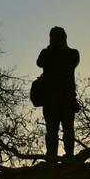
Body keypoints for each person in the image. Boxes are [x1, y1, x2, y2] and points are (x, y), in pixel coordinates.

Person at [37, 26, 80, 160]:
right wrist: (51, 49)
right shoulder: (48, 53)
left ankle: (68, 156)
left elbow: (71, 62)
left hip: (66, 98)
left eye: (55, 38)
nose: (52, 40)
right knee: (52, 130)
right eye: (51, 38)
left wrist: (55, 50)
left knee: (67, 130)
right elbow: (39, 63)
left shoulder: (72, 53)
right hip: (51, 99)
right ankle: (52, 156)